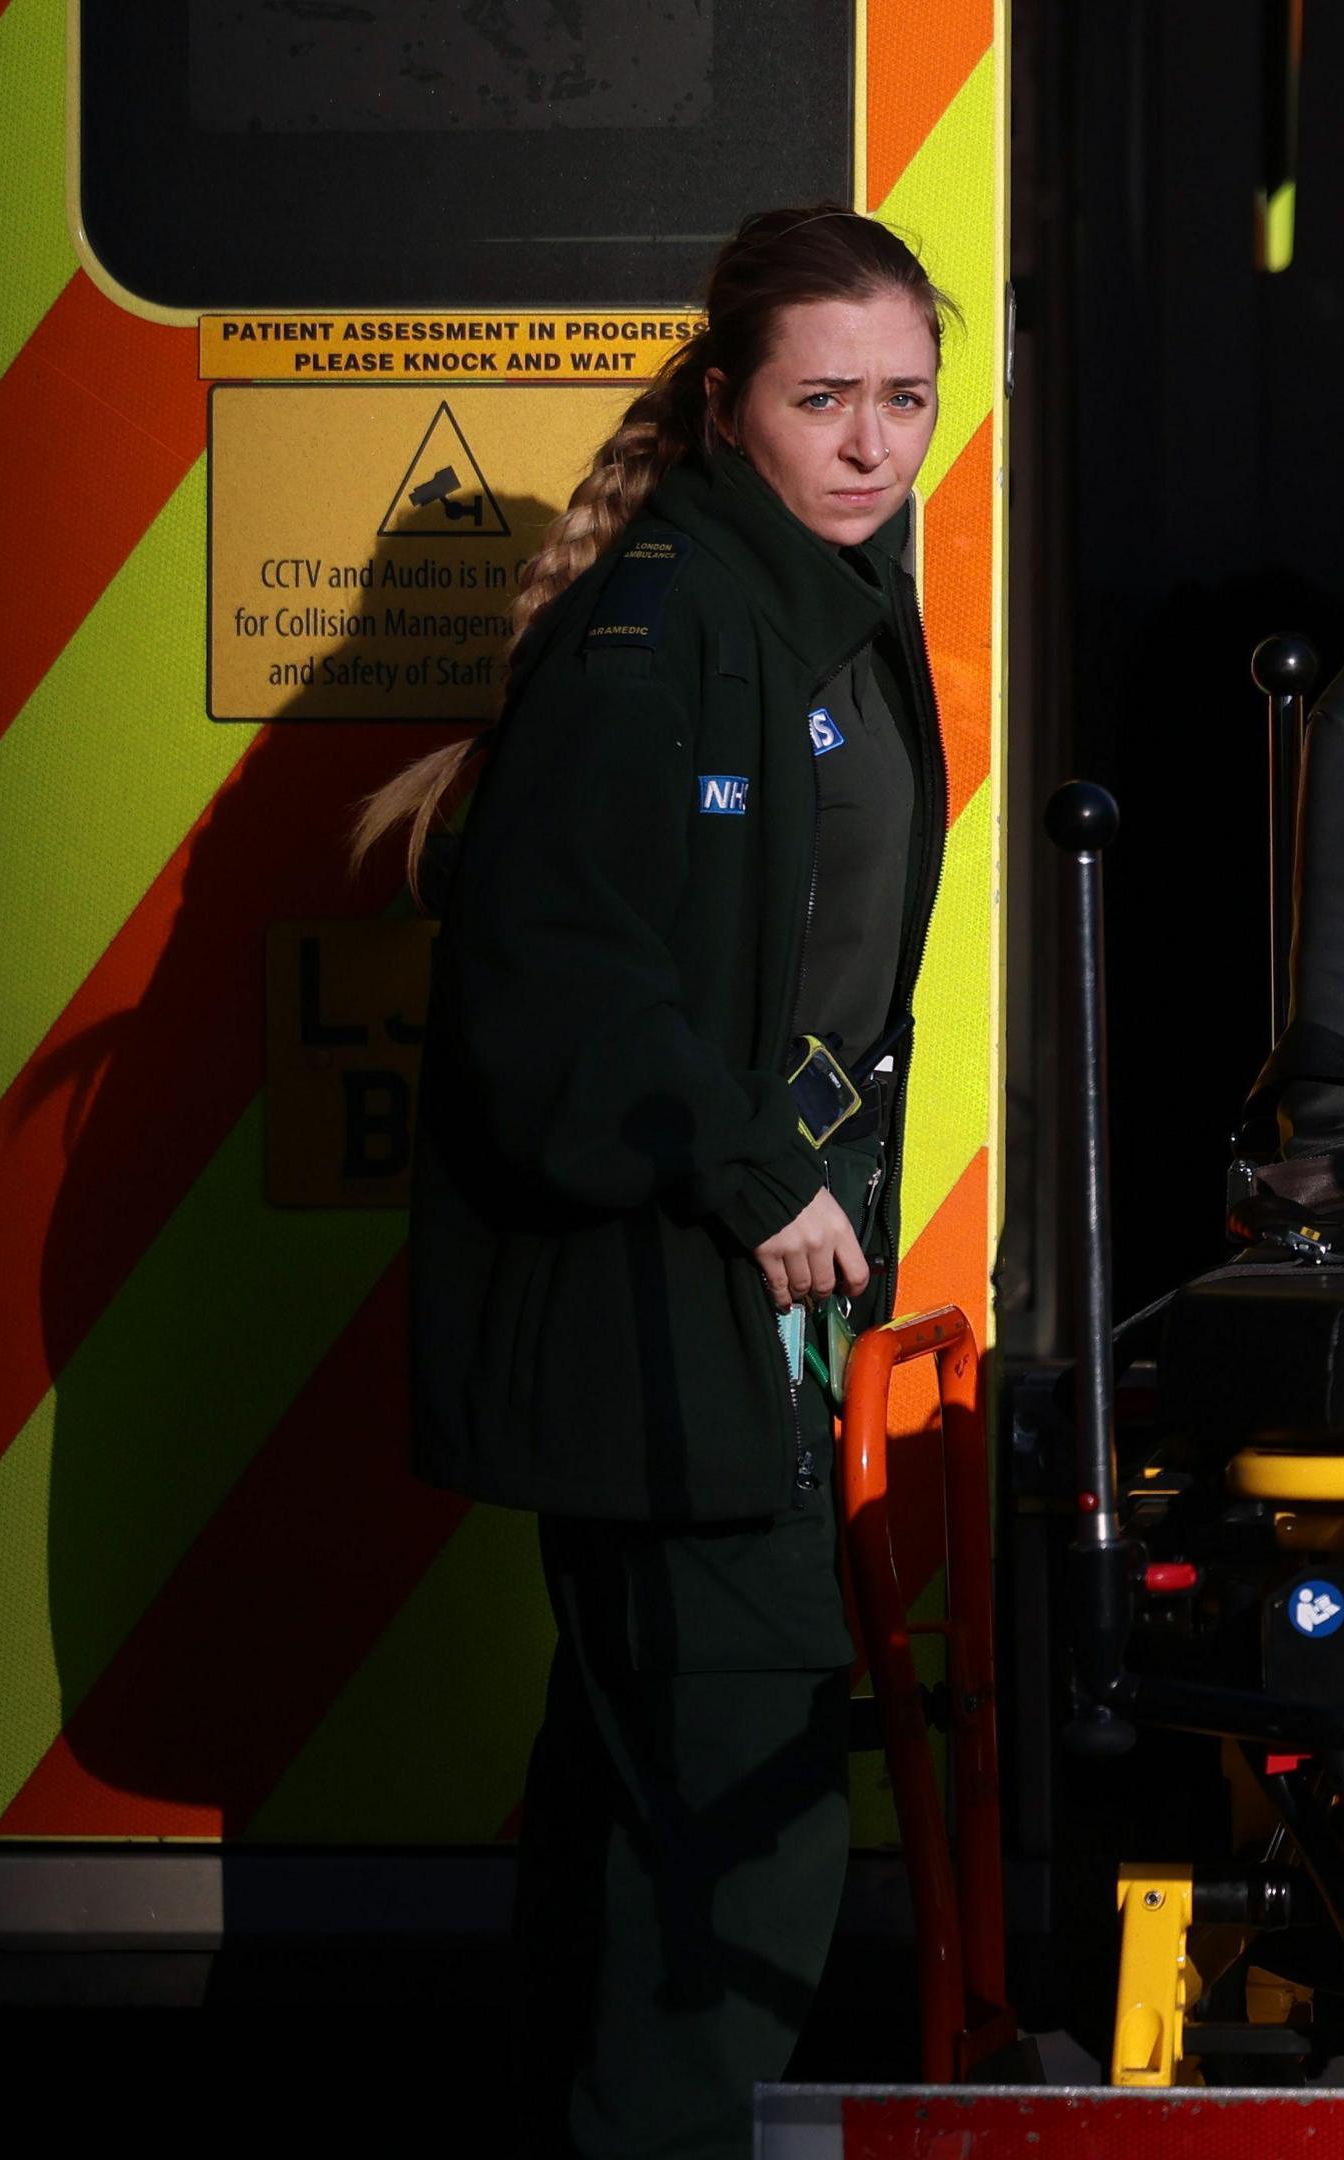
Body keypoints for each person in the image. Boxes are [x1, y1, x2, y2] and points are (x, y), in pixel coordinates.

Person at [359, 205, 957, 2159]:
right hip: (676, 1300)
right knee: (742, 1832)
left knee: (641, 1813)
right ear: (725, 408)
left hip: (751, 1306)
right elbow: (554, 954)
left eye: (905, 402)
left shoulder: (823, 598)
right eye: (825, 402)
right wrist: (750, 1173)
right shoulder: (671, 619)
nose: (874, 445)